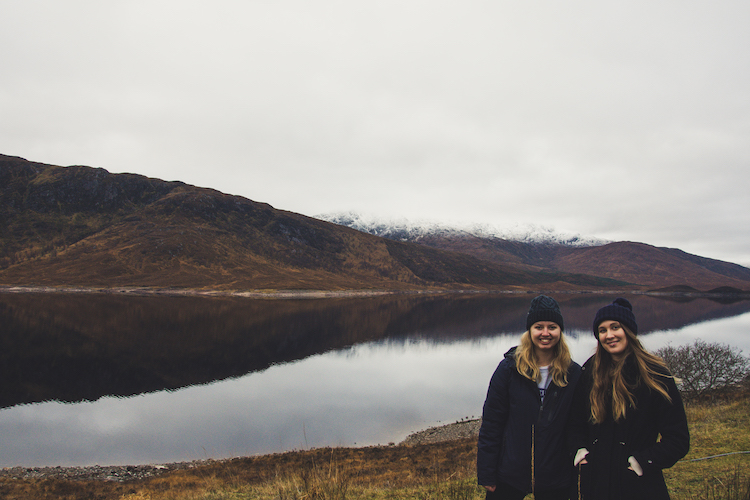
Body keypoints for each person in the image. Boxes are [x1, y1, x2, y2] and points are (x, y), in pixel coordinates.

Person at [568, 298, 690, 500]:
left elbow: (678, 440)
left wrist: (642, 461)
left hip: (639, 486)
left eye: (615, 327)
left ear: (629, 330)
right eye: (602, 330)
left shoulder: (655, 375)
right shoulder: (590, 371)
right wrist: (579, 449)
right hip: (595, 485)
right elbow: (575, 423)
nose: (609, 335)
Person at [477, 295, 582, 500]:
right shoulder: (509, 369)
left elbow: (577, 424)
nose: (545, 333)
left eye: (552, 327)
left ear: (560, 331)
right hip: (510, 474)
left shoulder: (573, 373)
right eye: (538, 327)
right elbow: (492, 424)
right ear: (529, 331)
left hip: (556, 477)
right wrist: (487, 472)